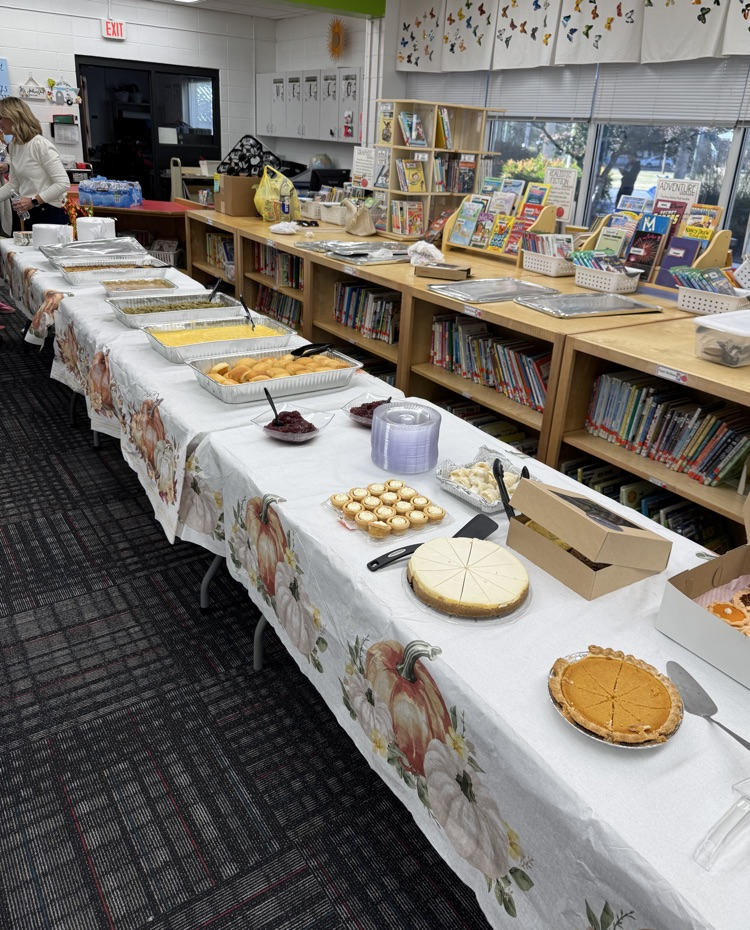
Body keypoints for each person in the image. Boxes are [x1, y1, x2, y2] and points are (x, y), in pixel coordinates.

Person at [0, 96, 70, 231]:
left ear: (13, 116)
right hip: (28, 212)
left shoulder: (40, 145)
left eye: (0, 118)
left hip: (48, 213)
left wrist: (34, 200)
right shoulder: (14, 146)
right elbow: (14, 185)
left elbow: (62, 183)